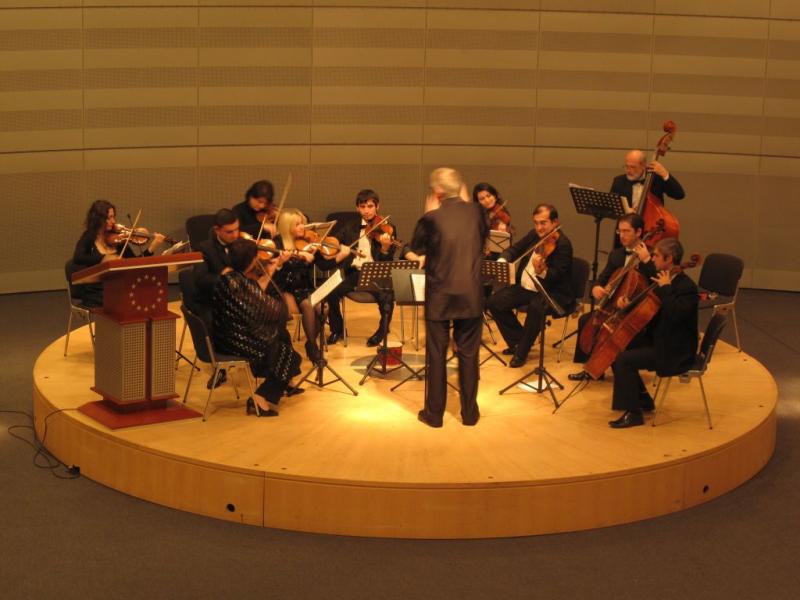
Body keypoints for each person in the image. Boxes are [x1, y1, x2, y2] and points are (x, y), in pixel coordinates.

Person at [409, 168, 488, 427]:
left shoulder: (432, 218)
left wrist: (428, 212)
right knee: (468, 355)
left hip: (441, 295)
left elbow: (417, 247)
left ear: (437, 192)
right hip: (471, 294)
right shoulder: (478, 211)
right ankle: (470, 414)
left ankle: (434, 415)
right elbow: (482, 239)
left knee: (436, 355)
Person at [608, 238, 698, 429]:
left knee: (623, 360)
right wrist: (628, 302)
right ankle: (643, 400)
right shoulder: (664, 277)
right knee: (619, 346)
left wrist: (666, 288)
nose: (652, 258)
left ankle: (634, 414)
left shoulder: (686, 287)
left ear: (669, 258)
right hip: (661, 339)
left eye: (656, 255)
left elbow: (675, 314)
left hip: (675, 350)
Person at [212, 239, 302, 417]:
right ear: (249, 261)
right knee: (291, 357)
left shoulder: (231, 276)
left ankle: (286, 382)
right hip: (233, 339)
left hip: (233, 331)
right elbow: (266, 307)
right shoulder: (234, 282)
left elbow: (254, 297)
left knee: (282, 336)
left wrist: (272, 268)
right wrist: (281, 309)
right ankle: (260, 397)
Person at [486, 204, 574, 368]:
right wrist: (503, 260)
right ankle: (518, 341)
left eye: (543, 223)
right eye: (536, 222)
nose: (539, 227)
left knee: (536, 307)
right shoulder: (534, 235)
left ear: (555, 222)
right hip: (528, 287)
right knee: (494, 302)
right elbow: (515, 249)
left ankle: (521, 353)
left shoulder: (563, 244)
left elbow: (557, 276)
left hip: (551, 291)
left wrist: (542, 271)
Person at [568, 213, 647, 381]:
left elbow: (653, 289)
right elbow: (602, 278)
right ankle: (590, 367)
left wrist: (646, 260)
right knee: (586, 320)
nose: (622, 235)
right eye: (620, 231)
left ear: (639, 232)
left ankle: (598, 367)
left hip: (636, 312)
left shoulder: (650, 255)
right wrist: (596, 288)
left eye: (626, 231)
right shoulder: (617, 255)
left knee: (605, 328)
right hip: (614, 307)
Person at [324, 189, 398, 347]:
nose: (366, 210)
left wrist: (385, 248)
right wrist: (339, 247)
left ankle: (382, 331)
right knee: (331, 292)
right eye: (362, 206)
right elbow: (333, 241)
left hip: (376, 273)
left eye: (370, 206)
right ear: (357, 208)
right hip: (355, 273)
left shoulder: (387, 228)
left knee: (387, 297)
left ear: (377, 206)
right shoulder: (350, 226)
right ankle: (337, 329)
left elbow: (388, 261)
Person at [71, 199, 164, 307]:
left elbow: (134, 263)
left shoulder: (118, 239)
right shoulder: (89, 236)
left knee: (143, 296)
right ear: (98, 219)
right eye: (109, 218)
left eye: (113, 216)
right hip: (96, 290)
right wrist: (104, 258)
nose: (113, 221)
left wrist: (152, 248)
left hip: (117, 287)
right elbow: (77, 257)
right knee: (128, 300)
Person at [271, 208, 325, 362]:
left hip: (304, 285)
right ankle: (314, 348)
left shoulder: (305, 242)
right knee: (308, 305)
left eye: (302, 223)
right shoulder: (278, 243)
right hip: (285, 287)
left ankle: (309, 342)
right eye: (297, 225)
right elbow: (275, 275)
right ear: (287, 227)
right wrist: (282, 262)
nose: (303, 227)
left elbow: (307, 269)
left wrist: (314, 253)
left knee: (323, 308)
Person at [611, 150, 685, 247]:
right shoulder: (619, 182)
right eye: (626, 166)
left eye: (633, 167)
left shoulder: (656, 179)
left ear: (644, 166)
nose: (628, 170)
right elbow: (611, 209)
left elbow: (679, 194)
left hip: (651, 233)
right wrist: (625, 211)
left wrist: (665, 174)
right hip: (626, 235)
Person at [193, 209, 241, 308]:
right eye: (229, 232)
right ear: (217, 230)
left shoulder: (242, 244)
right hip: (214, 300)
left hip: (240, 297)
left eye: (237, 229)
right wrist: (222, 276)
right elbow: (201, 279)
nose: (235, 235)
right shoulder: (204, 248)